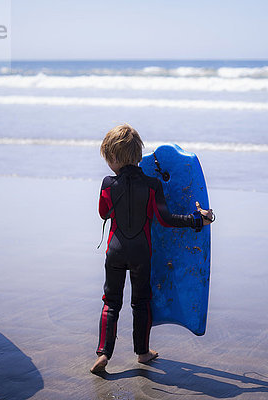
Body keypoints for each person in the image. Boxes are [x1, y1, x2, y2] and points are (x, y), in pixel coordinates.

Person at [91, 124, 214, 373]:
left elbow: (103, 213)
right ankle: (143, 353)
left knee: (111, 301)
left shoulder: (107, 184)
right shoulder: (152, 185)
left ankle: (104, 354)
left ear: (113, 157)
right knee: (141, 302)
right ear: (137, 156)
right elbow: (167, 220)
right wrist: (197, 220)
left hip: (114, 251)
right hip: (141, 253)